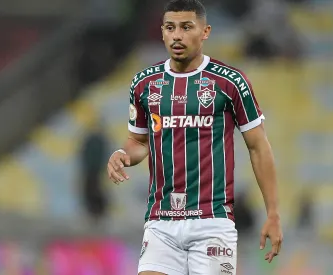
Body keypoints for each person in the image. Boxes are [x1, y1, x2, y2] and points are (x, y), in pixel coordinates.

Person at [106, 1, 283, 274]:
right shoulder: (144, 83)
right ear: (163, 32)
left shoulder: (229, 82)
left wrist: (272, 213)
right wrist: (122, 155)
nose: (177, 35)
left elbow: (258, 147)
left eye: (186, 27)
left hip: (212, 222)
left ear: (205, 31)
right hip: (161, 220)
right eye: (170, 27)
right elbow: (139, 142)